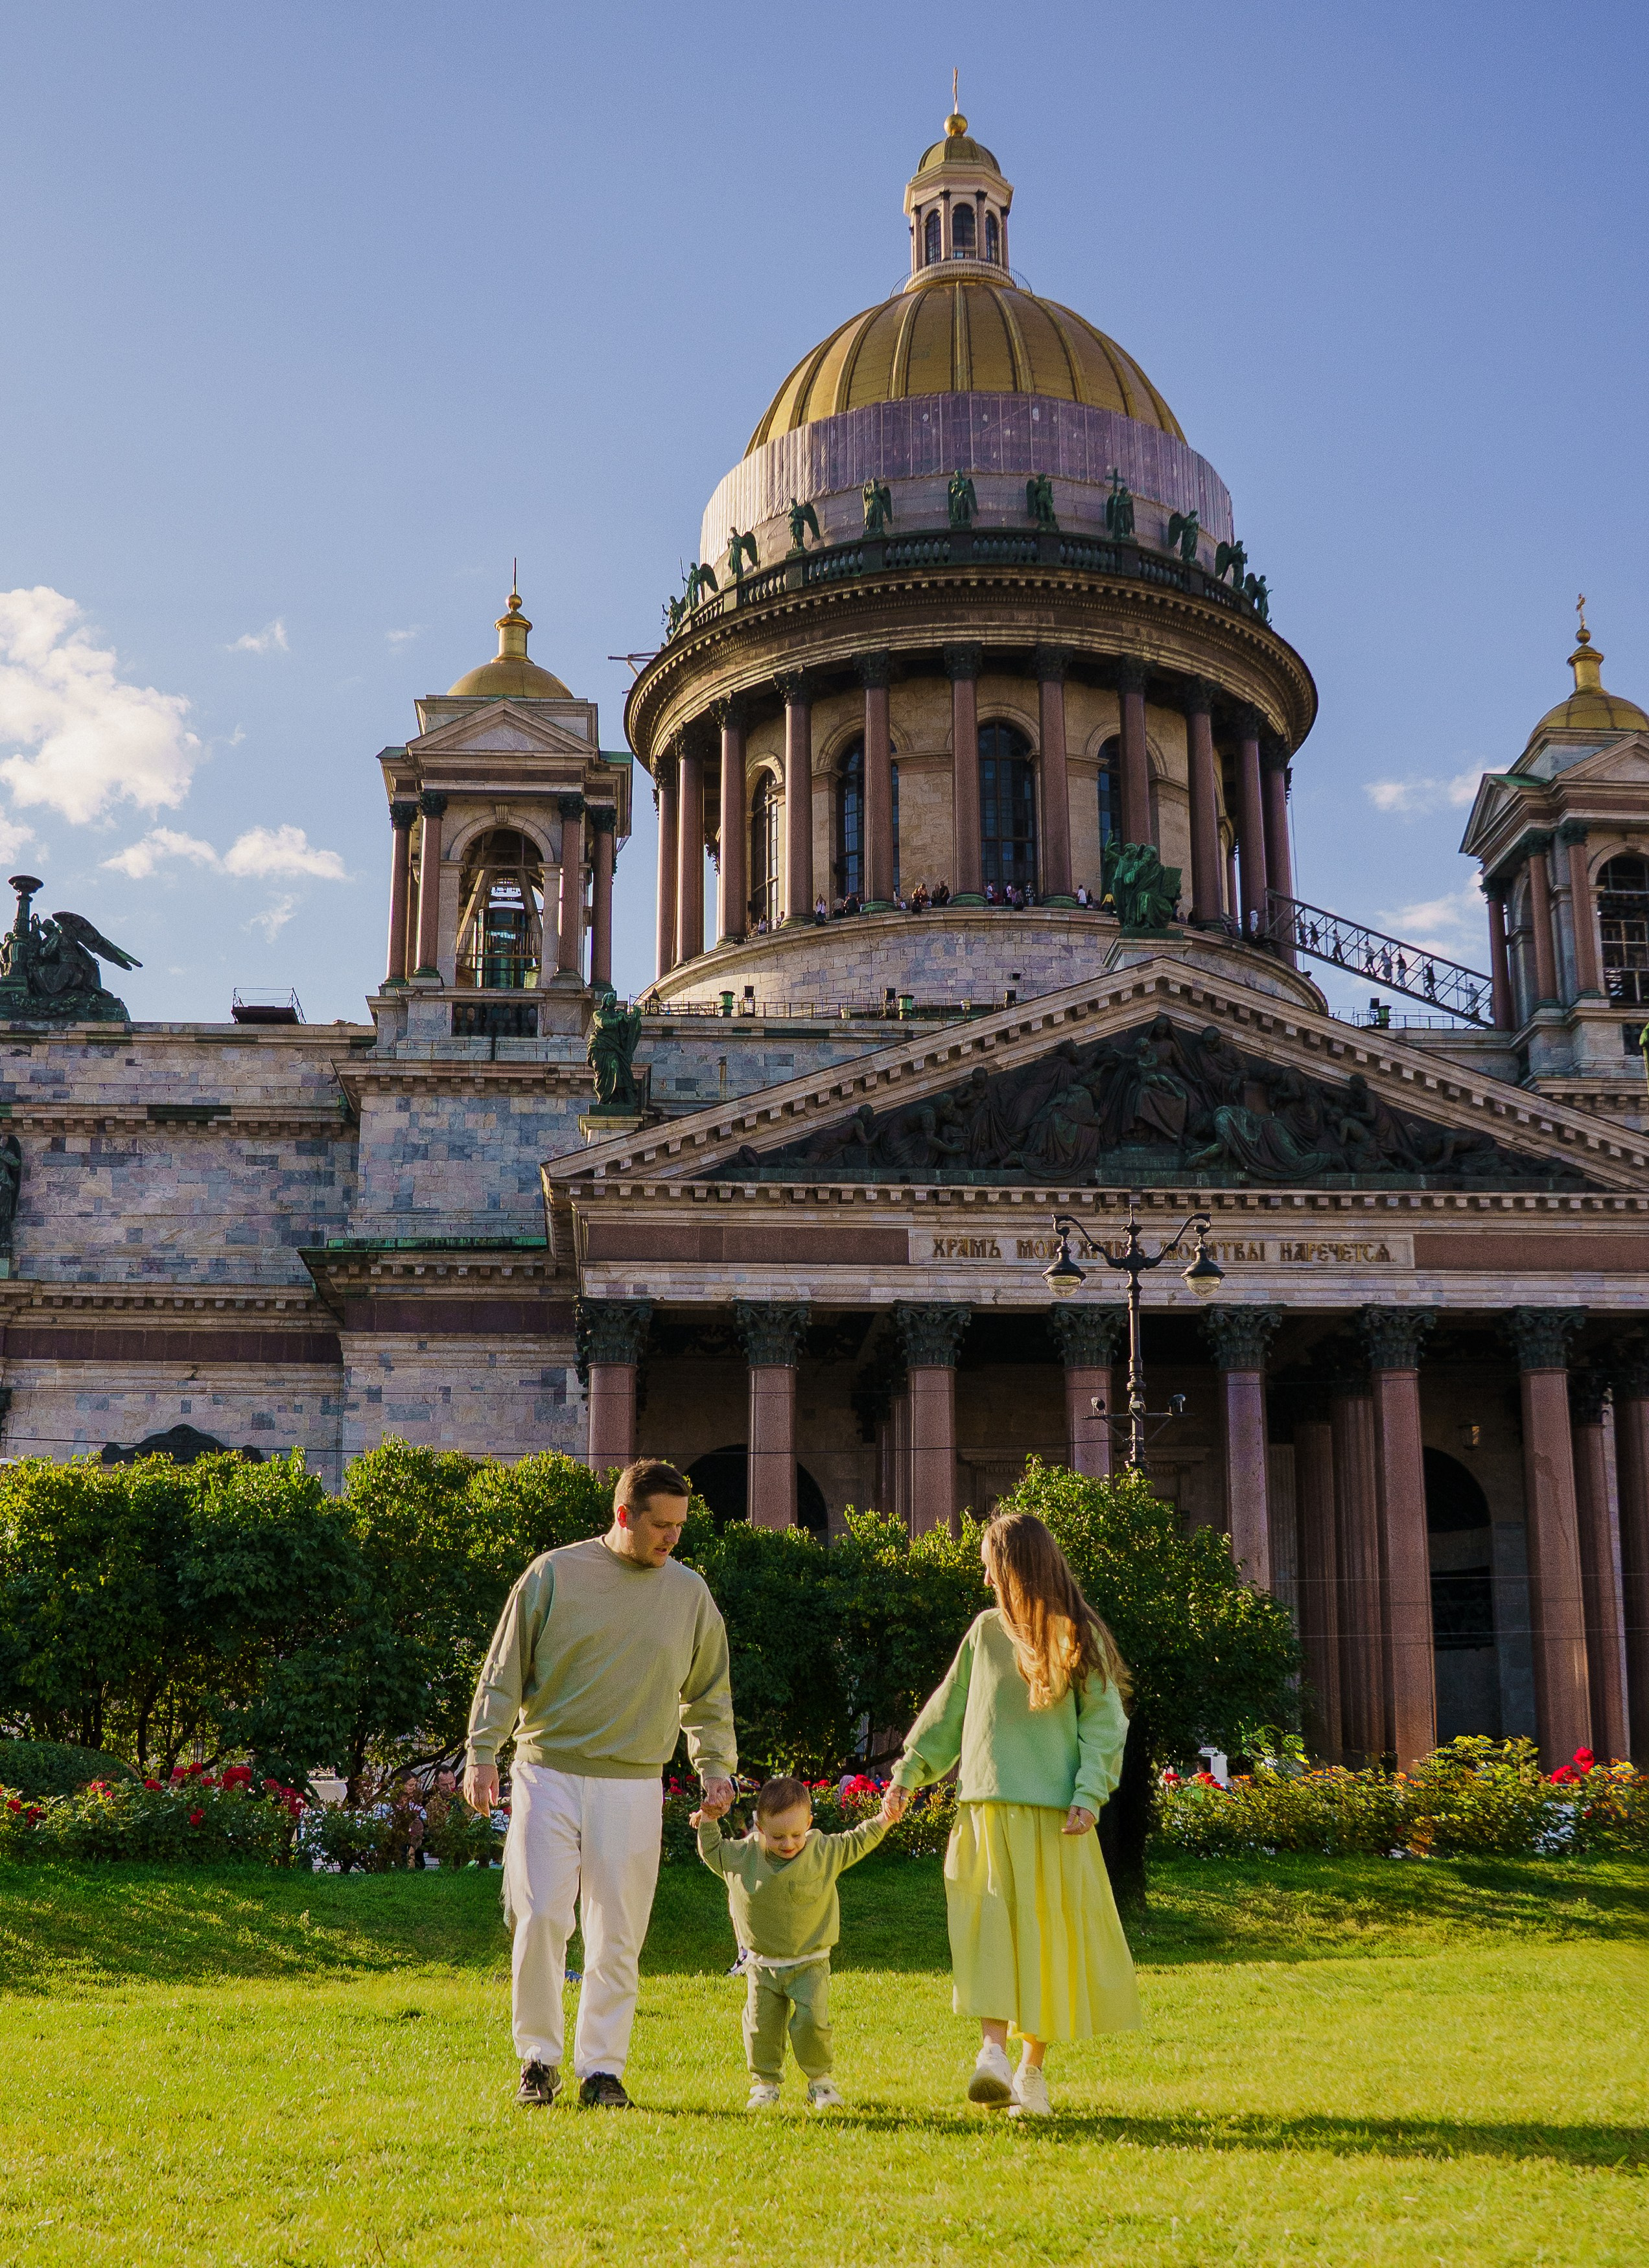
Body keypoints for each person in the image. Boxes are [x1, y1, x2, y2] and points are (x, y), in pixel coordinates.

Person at [465, 1458, 736, 2111]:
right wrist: (482, 1752)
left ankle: (603, 2071)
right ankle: (537, 2062)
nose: (672, 1537)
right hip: (547, 1772)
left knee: (617, 1931)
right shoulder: (553, 1574)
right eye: (660, 1525)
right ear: (624, 1515)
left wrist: (715, 1766)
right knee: (541, 1916)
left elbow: (708, 1694)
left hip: (634, 1783)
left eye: (680, 1526)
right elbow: (504, 1670)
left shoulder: (690, 1593)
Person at [883, 1510, 1140, 2117]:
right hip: (985, 1812)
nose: (985, 1580)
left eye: (989, 1568)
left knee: (1047, 1943)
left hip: (1056, 1820)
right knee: (988, 1933)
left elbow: (1106, 1725)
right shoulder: (984, 1632)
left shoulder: (1080, 1636)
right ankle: (993, 2054)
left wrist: (1088, 1795)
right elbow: (947, 1712)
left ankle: (1032, 2073)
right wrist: (907, 1775)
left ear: (1014, 1566)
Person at [693, 1774, 898, 2109]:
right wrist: (709, 1819)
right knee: (760, 2028)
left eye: (796, 1835)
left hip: (810, 1961)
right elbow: (713, 1849)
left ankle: (821, 2083)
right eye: (777, 1836)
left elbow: (858, 1839)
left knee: (813, 2023)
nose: (788, 1843)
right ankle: (765, 2085)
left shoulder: (824, 1851)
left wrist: (885, 1818)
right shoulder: (744, 1857)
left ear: (809, 1824)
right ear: (760, 1828)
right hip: (762, 1965)